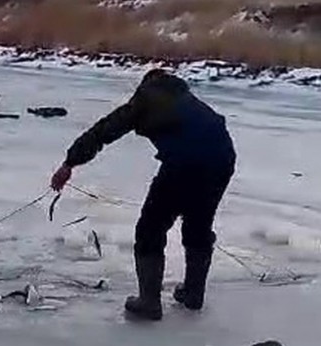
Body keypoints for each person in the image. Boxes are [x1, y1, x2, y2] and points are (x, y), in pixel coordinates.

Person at [50, 69, 236, 321]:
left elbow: (104, 131)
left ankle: (149, 303)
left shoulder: (146, 100)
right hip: (222, 159)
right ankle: (193, 294)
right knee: (198, 225)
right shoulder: (188, 100)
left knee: (150, 229)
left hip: (184, 163)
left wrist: (69, 163)